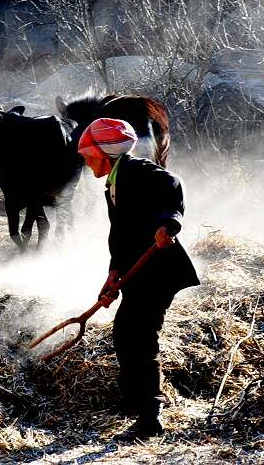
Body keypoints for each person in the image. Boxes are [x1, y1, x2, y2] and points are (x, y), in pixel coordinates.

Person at [77, 118, 200, 441]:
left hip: (159, 270)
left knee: (140, 339)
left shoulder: (135, 170)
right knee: (124, 333)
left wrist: (169, 224)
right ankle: (133, 402)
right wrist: (114, 273)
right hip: (137, 271)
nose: (86, 162)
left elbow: (173, 184)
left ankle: (150, 417)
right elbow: (121, 235)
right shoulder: (114, 183)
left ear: (105, 153)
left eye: (89, 156)